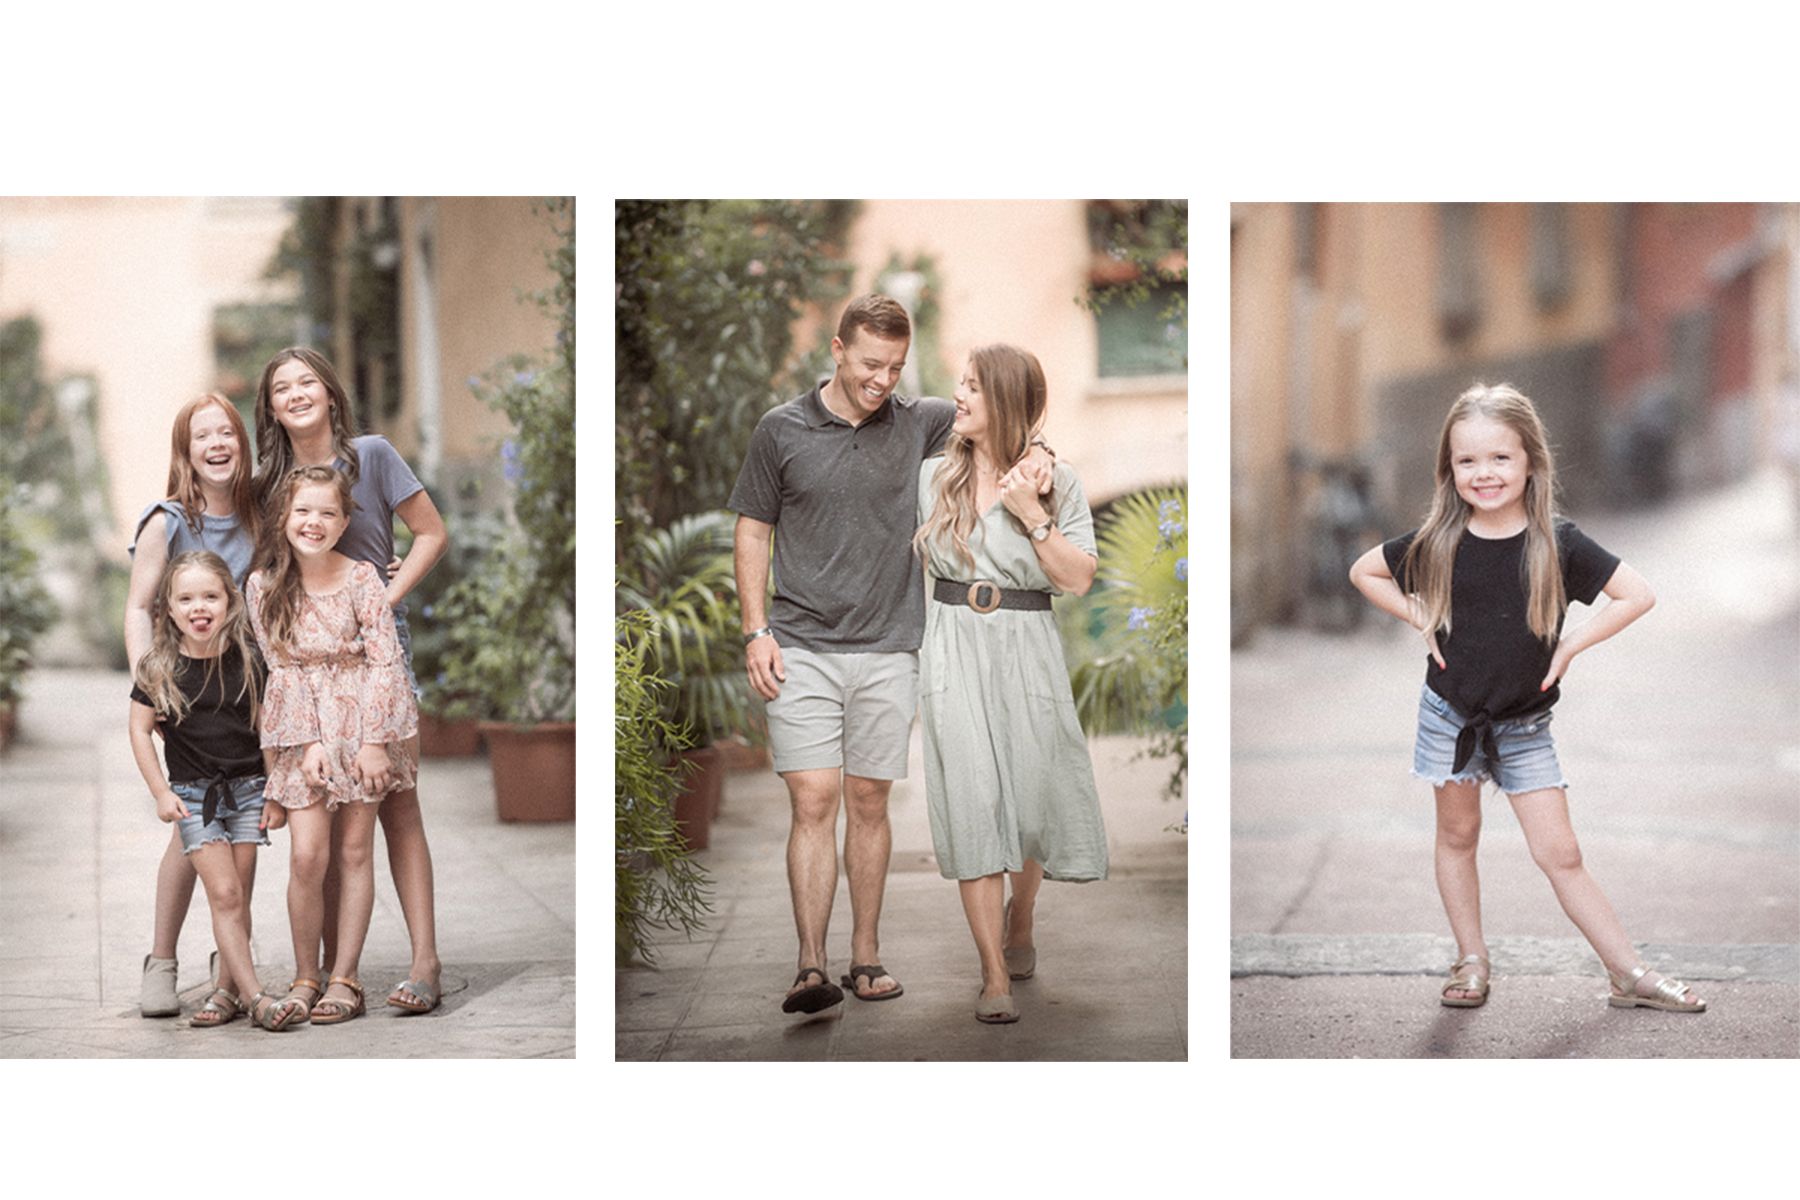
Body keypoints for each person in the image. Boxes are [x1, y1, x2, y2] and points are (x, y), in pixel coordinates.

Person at [729, 294, 1053, 1014]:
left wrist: (1041, 453)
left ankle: (865, 956)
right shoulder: (779, 431)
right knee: (812, 798)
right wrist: (756, 630)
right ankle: (811, 965)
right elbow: (753, 531)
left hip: (889, 645)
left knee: (868, 799)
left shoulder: (920, 421)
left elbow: (1003, 418)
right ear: (837, 349)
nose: (883, 380)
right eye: (871, 364)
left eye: (897, 367)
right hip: (800, 642)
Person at [1348, 382, 1705, 1013]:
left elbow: (1638, 594)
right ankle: (1472, 959)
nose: (1483, 473)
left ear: (1531, 461)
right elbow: (1363, 571)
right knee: (1458, 837)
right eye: (1467, 461)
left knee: (1560, 853)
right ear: (1449, 469)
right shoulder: (1438, 538)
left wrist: (1569, 647)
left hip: (1523, 726)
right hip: (1450, 716)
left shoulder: (1558, 543)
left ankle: (1629, 973)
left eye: (1499, 458)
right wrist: (1418, 618)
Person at [913, 345, 1107, 1024]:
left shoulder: (1059, 483)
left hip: (1027, 645)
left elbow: (1078, 578)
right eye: (960, 384)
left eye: (971, 387)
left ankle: (1021, 913)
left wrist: (1033, 512)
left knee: (1027, 800)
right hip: (953, 646)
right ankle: (992, 972)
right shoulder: (934, 475)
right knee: (971, 798)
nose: (957, 396)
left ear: (1005, 400)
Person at [252, 347, 447, 1015]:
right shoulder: (272, 479)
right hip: (308, 664)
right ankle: (333, 970)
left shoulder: (373, 455)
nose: (299, 394)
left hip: (379, 652)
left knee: (396, 807)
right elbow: (267, 573)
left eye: (309, 381)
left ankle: (424, 960)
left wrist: (384, 602)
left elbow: (430, 533)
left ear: (332, 392)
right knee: (323, 833)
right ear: (271, 408)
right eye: (284, 387)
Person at [247, 465, 420, 1026]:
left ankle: (345, 976)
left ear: (345, 520)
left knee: (353, 853)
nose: (313, 522)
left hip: (363, 723)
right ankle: (305, 975)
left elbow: (386, 660)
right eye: (302, 511)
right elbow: (280, 671)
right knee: (306, 855)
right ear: (283, 517)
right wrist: (306, 743)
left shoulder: (364, 579)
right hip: (303, 731)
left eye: (326, 512)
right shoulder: (263, 587)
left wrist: (373, 744)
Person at [124, 393, 261, 1018]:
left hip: (244, 689)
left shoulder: (262, 512)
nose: (216, 443)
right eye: (201, 434)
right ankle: (163, 960)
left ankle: (226, 965)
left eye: (226, 431)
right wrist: (154, 683)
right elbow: (138, 607)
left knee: (235, 844)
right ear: (185, 450)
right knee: (188, 832)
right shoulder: (168, 520)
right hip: (184, 688)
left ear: (241, 442)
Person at [127, 550, 286, 1030]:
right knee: (225, 893)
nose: (200, 607)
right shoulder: (159, 668)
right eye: (187, 598)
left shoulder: (248, 661)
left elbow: (266, 733)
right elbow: (138, 731)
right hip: (195, 798)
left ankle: (225, 994)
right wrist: (160, 792)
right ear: (169, 609)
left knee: (238, 896)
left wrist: (274, 792)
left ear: (230, 602)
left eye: (211, 596)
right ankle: (258, 999)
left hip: (248, 792)